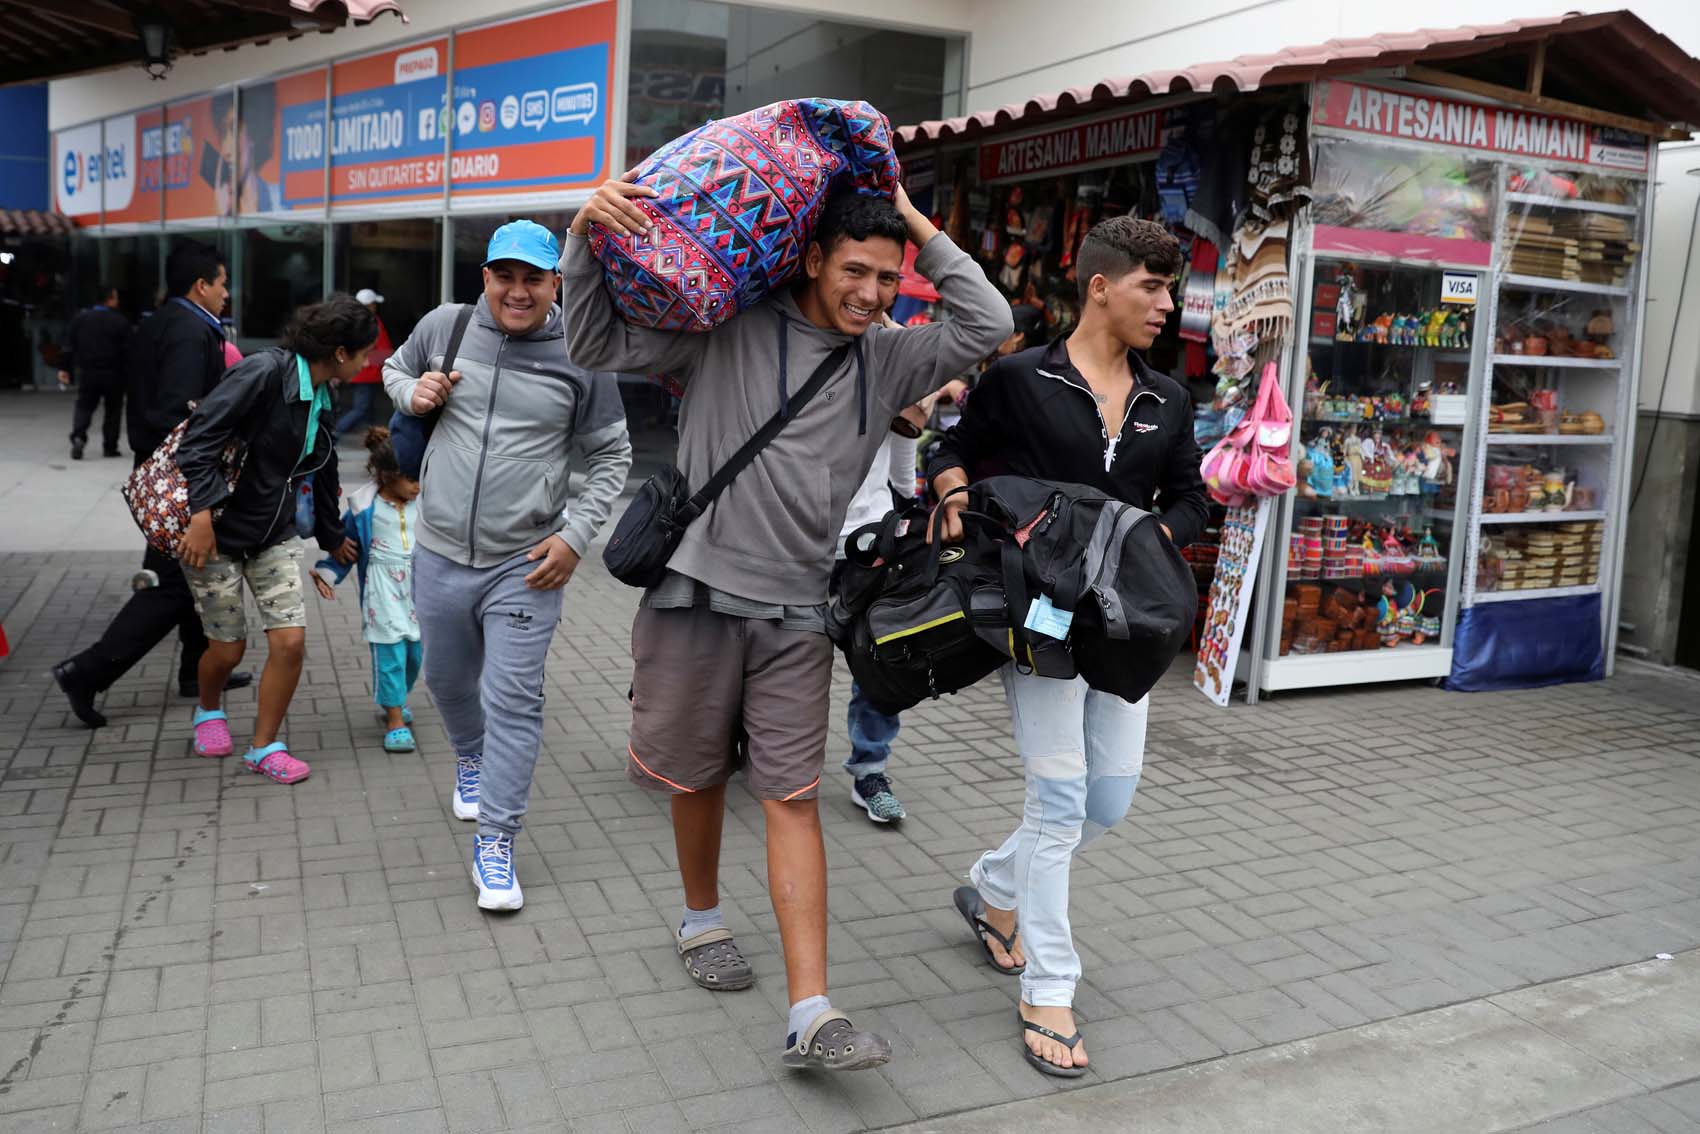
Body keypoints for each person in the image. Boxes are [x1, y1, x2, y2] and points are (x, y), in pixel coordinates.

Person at [561, 180, 1011, 1071]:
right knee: (696, 777)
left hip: (803, 608)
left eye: (888, 278)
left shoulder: (884, 361)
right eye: (856, 270)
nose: (873, 294)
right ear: (811, 260)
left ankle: (812, 1012)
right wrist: (580, 238)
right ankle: (700, 920)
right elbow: (593, 339)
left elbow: (985, 320)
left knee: (792, 792)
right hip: (694, 590)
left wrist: (911, 218)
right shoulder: (730, 325)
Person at [928, 216, 1208, 1077]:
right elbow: (953, 449)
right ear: (1100, 286)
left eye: (1171, 289)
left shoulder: (1169, 397)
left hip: (1124, 628)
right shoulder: (1020, 377)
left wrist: (1149, 537)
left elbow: (1192, 496)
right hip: (1043, 624)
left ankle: (995, 887)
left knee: (1108, 804)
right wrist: (952, 498)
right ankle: (1050, 987)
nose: (1167, 305)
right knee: (1058, 805)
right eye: (1151, 288)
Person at [384, 220, 632, 911]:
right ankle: (470, 756)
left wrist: (577, 535)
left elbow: (613, 455)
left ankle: (496, 840)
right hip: (437, 549)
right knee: (447, 681)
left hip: (525, 563)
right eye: (505, 276)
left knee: (514, 701)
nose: (517, 291)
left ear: (558, 282)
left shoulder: (583, 351)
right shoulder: (447, 326)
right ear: (485, 277)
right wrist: (414, 393)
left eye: (534, 278)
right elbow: (392, 370)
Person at [53, 240, 252, 727]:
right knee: (173, 585)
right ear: (201, 285)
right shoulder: (189, 331)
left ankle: (194, 670)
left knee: (188, 576)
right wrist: (203, 480)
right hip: (182, 477)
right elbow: (183, 413)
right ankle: (86, 671)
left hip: (165, 469)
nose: (228, 292)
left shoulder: (164, 321)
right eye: (223, 283)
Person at [176, 295, 369, 784]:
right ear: (342, 352)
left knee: (290, 643)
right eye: (366, 351)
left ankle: (264, 747)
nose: (372, 361)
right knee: (227, 650)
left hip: (275, 532)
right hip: (216, 531)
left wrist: (333, 536)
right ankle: (208, 709)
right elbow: (197, 437)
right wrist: (200, 515)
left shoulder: (325, 393)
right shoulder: (264, 372)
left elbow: (323, 471)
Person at [310, 426, 423, 753]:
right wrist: (327, 573)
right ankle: (394, 720)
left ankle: (396, 698)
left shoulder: (425, 506)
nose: (417, 486)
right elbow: (346, 549)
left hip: (418, 592)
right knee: (391, 654)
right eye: (411, 478)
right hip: (382, 591)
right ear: (387, 476)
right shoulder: (363, 510)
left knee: (415, 655)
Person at [57, 284, 132, 460]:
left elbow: (68, 345)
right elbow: (130, 351)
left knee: (84, 406)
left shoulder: (81, 319)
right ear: (110, 299)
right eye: (116, 296)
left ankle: (78, 436)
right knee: (113, 410)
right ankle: (110, 446)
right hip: (114, 373)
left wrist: (64, 368)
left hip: (89, 372)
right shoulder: (120, 321)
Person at [334, 289, 394, 440]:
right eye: (374, 303)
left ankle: (373, 440)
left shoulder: (353, 322)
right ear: (371, 305)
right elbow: (384, 351)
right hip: (365, 374)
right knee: (361, 408)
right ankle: (334, 433)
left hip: (360, 373)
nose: (375, 306)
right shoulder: (372, 323)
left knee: (367, 410)